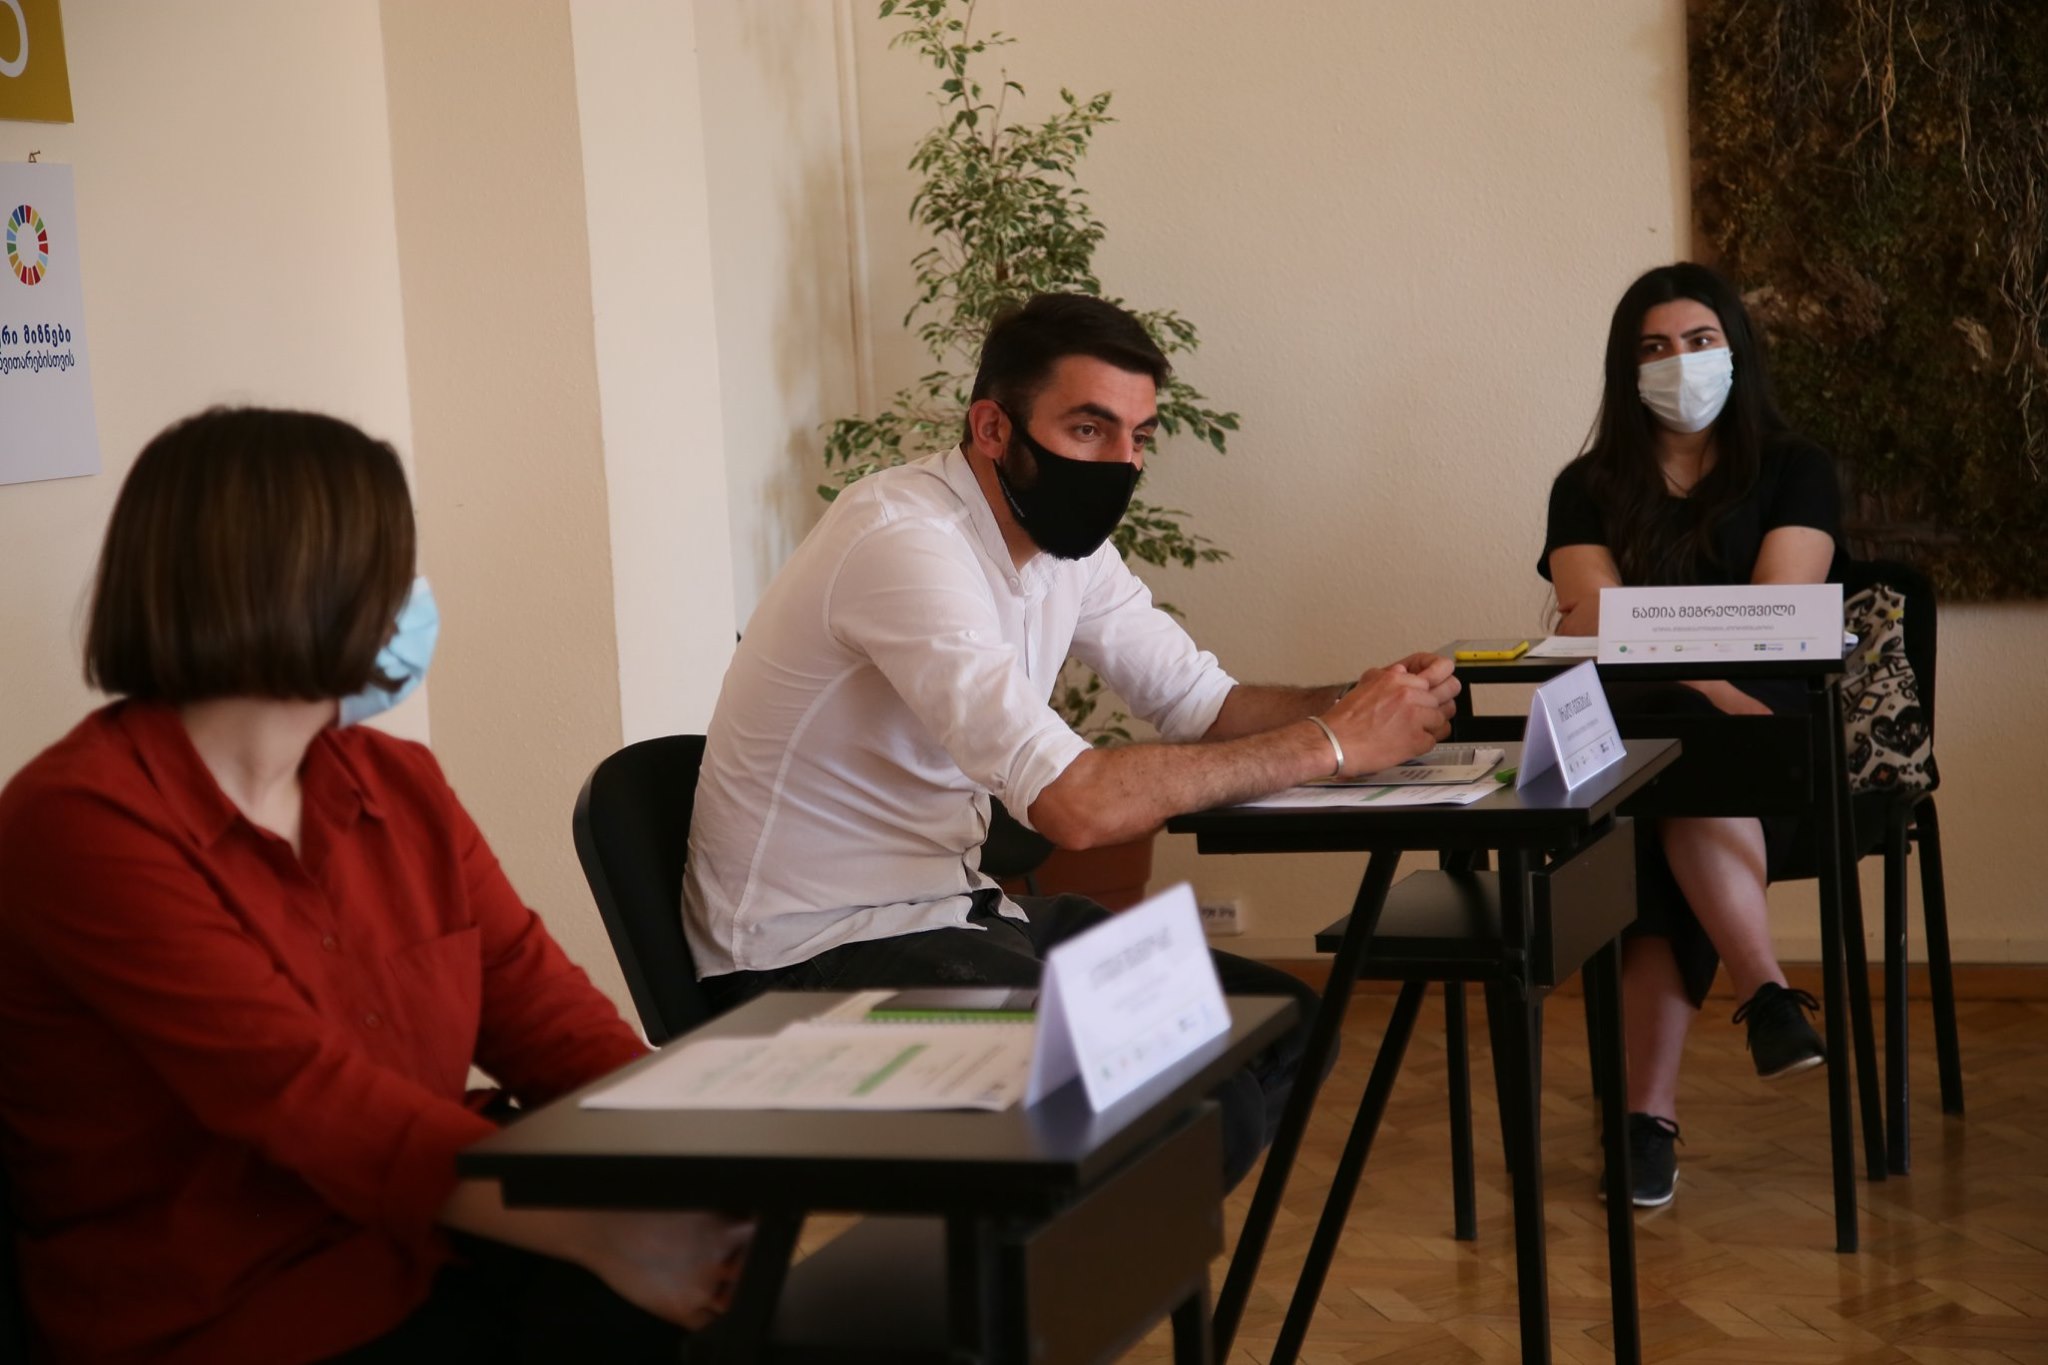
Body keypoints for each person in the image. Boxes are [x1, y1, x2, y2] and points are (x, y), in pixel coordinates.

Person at [0, 408, 752, 1364]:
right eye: (392, 567)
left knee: (747, 1294)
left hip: (435, 1240)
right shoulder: (80, 823)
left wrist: (711, 1148)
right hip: (240, 1306)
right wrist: (601, 1233)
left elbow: (548, 1022)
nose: (411, 600)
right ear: (298, 583)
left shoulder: (398, 784)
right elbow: (305, 1099)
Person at [684, 292, 1461, 1187]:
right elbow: (1077, 807)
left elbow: (1202, 702)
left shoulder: (1065, 548)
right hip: (807, 955)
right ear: (992, 428)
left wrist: (1369, 703)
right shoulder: (902, 540)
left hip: (954, 912)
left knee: (1282, 1030)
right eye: (1090, 429)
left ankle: (1044, 1256)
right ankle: (1011, 1267)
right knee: (1195, 1102)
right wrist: (1331, 742)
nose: (1121, 463)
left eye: (1139, 437)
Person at [1540, 263, 1837, 1208]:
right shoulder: (1586, 485)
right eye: (1656, 347)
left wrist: (1656, 639)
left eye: (1700, 341)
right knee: (1673, 750)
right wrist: (1707, 678)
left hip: (1766, 734)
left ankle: (1646, 1122)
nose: (1681, 361)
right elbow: (1589, 614)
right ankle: (1767, 993)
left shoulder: (1796, 467)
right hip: (1663, 729)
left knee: (1661, 808)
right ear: (1628, 369)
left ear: (1735, 349)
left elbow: (1776, 610)